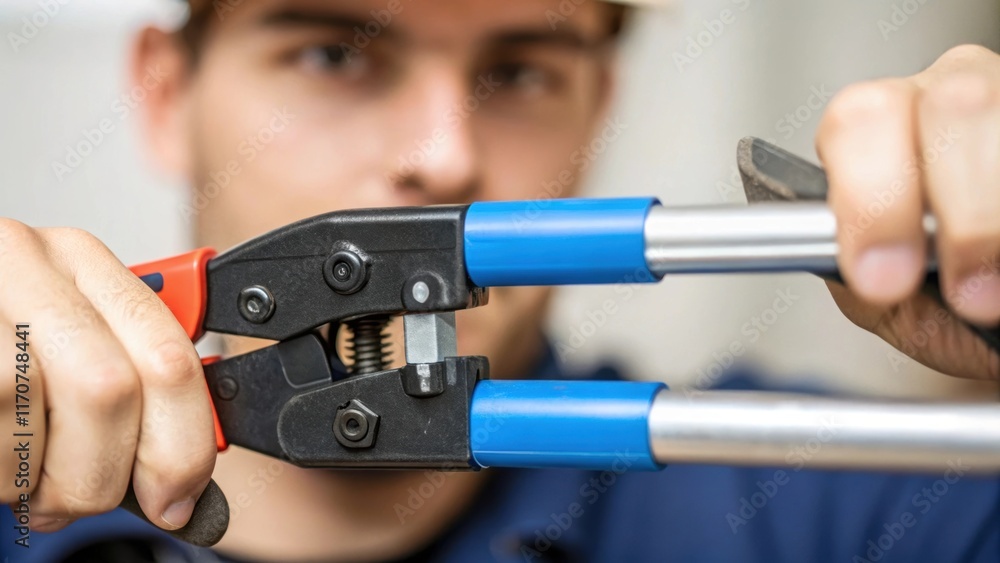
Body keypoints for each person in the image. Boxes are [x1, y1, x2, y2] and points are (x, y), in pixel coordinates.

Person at [2, 0, 1000, 561]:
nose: (442, 157)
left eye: (519, 72)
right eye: (330, 53)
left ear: (597, 108)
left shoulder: (846, 507)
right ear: (167, 95)